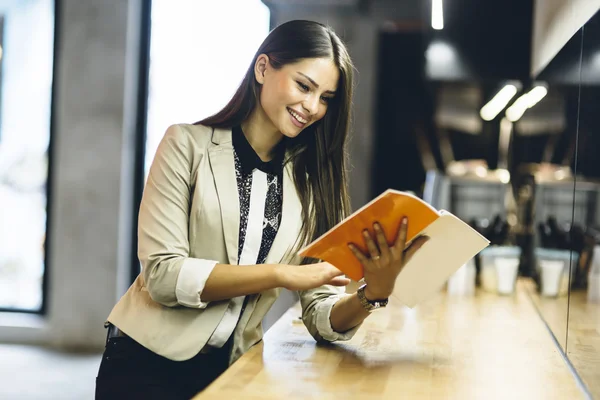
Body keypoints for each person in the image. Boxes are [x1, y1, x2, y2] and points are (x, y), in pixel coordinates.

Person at [95, 19, 427, 399]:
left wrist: (371, 294)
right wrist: (281, 275)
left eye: (326, 98)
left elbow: (320, 315)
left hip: (234, 370)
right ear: (263, 68)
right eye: (304, 86)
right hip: (144, 362)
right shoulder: (185, 145)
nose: (312, 107)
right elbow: (164, 275)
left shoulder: (311, 180)